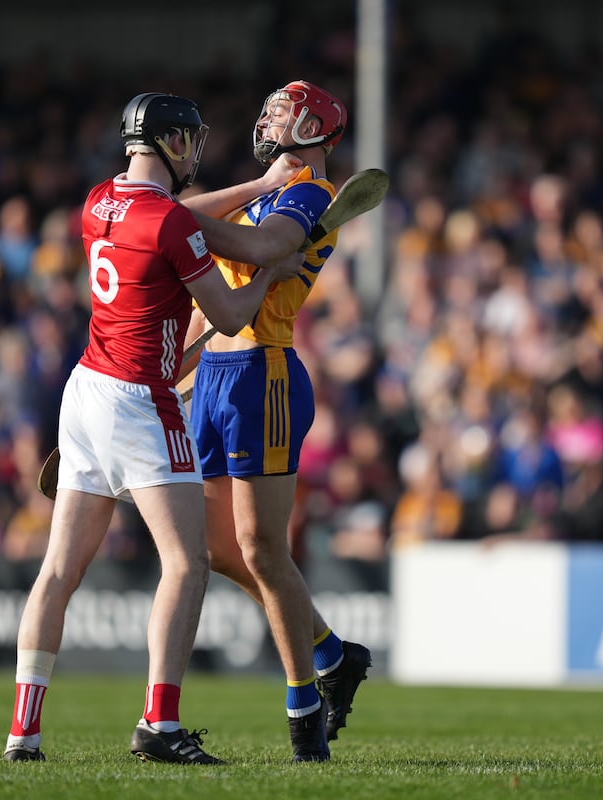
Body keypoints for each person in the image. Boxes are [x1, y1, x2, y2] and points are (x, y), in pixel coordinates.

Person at [2, 92, 305, 766]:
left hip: (84, 391)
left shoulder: (94, 203)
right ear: (170, 143)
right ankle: (159, 725)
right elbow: (227, 317)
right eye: (190, 140)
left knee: (58, 570)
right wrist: (270, 272)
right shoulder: (170, 224)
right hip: (140, 401)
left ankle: (24, 731)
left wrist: (258, 185)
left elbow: (166, 232)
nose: (195, 151)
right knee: (187, 562)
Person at [181, 80, 372, 762]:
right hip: (214, 376)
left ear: (315, 123)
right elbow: (172, 216)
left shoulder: (311, 195)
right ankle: (331, 652)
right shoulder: (267, 190)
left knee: (263, 549)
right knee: (212, 550)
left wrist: (211, 219)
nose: (265, 116)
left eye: (279, 110)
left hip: (264, 373)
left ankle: (304, 710)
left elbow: (262, 251)